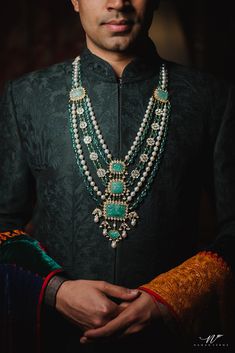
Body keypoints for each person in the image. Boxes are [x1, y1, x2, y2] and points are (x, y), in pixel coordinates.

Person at [0, 1, 234, 352]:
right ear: (75, 1)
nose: (118, 3)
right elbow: (3, 221)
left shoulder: (212, 97)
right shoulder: (26, 97)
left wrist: (168, 297)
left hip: (172, 337)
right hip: (54, 335)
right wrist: (57, 290)